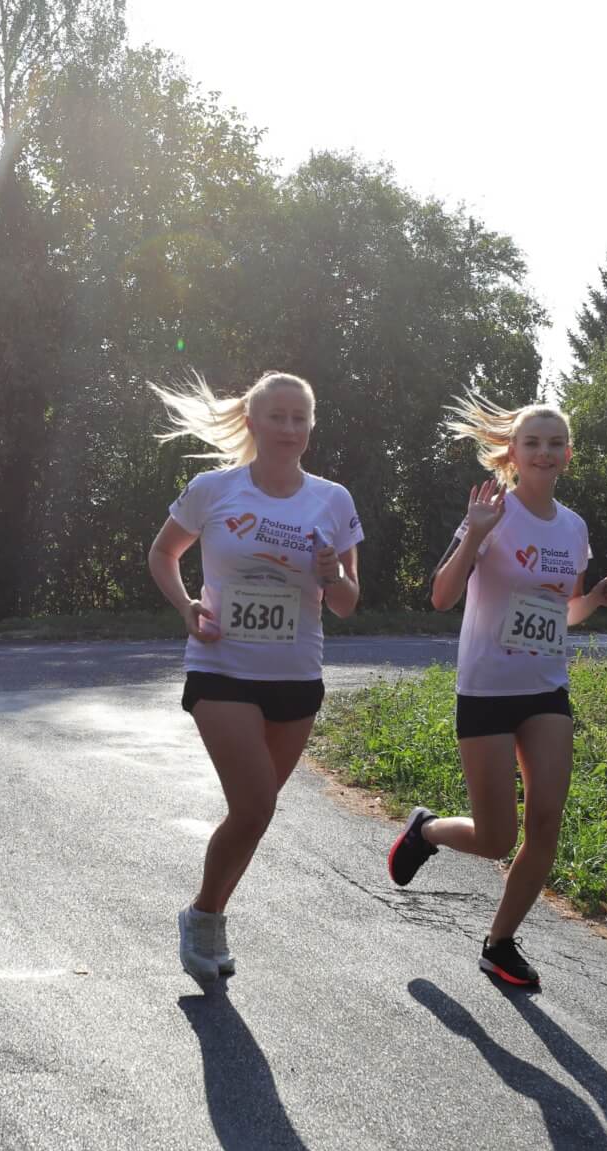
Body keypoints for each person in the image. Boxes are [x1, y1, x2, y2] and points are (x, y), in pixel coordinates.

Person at [385, 397, 607, 990]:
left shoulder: (573, 528)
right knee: (496, 838)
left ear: (568, 454)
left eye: (555, 443)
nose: (544, 452)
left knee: (546, 823)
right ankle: (426, 831)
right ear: (513, 453)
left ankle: (500, 944)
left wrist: (594, 600)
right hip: (487, 688)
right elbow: (441, 597)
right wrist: (475, 533)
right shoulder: (492, 512)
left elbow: (562, 614)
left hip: (546, 689)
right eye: (533, 443)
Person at [146, 371, 362, 982]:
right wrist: (186, 606)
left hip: (296, 676)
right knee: (255, 804)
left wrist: (331, 575)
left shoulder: (333, 500)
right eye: (277, 416)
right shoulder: (213, 490)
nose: (289, 428)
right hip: (221, 668)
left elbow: (347, 604)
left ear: (311, 426)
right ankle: (204, 920)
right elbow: (163, 553)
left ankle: (206, 914)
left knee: (254, 815)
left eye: (300, 418)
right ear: (253, 422)